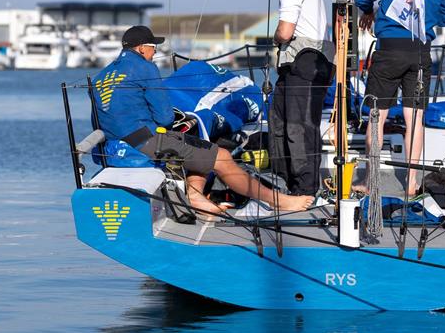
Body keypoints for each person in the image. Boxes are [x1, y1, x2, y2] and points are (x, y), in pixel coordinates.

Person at [92, 25, 314, 216]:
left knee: (201, 147)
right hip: (144, 144)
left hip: (112, 148)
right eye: (153, 48)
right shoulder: (145, 68)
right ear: (141, 48)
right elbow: (165, 117)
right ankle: (277, 200)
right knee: (222, 156)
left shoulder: (100, 76)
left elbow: (98, 121)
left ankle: (196, 196)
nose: (154, 53)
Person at [354, 0, 445, 195]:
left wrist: (368, 10)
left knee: (377, 116)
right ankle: (411, 183)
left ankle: (370, 180)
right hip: (420, 52)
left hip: (388, 51)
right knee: (415, 119)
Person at [243, 0, 335, 196]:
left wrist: (274, 37)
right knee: (279, 119)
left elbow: (284, 32)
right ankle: (287, 180)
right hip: (300, 62)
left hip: (307, 60)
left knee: (299, 124)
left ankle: (305, 188)